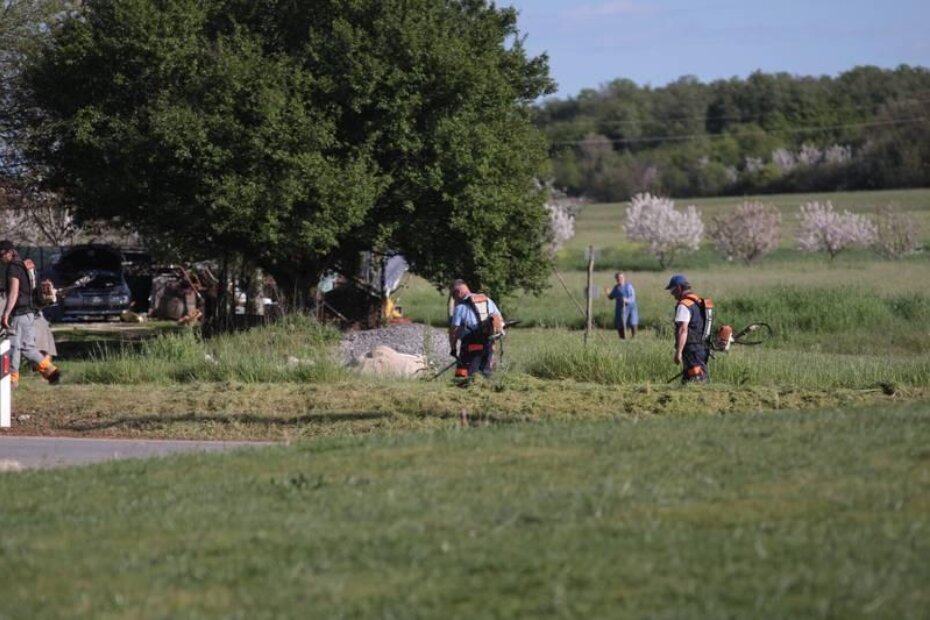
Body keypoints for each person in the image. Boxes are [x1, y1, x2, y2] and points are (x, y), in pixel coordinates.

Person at [0, 240, 61, 386]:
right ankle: (52, 373)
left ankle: (11, 380)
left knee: (13, 346)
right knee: (28, 347)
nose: (1, 258)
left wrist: (6, 313)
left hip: (19, 313)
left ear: (10, 252)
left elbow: (14, 292)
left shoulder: (13, 267)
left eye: (1, 254)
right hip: (29, 312)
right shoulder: (26, 265)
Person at [448, 279, 503, 382]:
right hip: (488, 345)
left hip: (471, 346)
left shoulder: (460, 307)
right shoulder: (488, 301)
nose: (454, 299)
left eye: (453, 296)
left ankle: (462, 392)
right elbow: (499, 320)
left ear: (458, 292)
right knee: (486, 374)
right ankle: (486, 393)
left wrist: (453, 348)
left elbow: (454, 331)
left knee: (464, 375)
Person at [666, 273, 709, 384]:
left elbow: (683, 329)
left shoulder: (683, 305)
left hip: (692, 349)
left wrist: (678, 352)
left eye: (673, 290)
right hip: (702, 347)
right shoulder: (698, 302)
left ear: (680, 288)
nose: (672, 294)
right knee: (692, 380)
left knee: (696, 381)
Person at [607, 272, 638, 339]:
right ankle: (622, 338)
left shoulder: (629, 286)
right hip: (620, 309)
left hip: (630, 308)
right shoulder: (616, 288)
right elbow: (611, 297)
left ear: (624, 278)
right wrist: (608, 293)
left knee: (632, 321)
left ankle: (634, 337)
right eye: (618, 278)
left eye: (621, 278)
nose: (619, 279)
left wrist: (626, 300)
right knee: (620, 323)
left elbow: (633, 297)